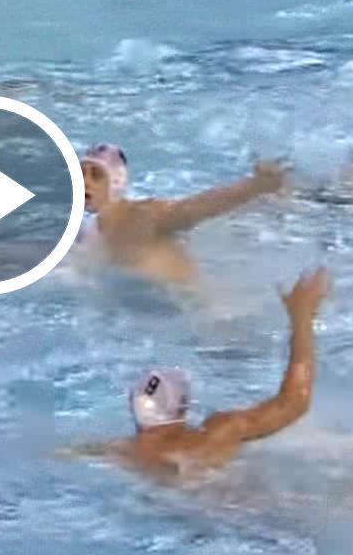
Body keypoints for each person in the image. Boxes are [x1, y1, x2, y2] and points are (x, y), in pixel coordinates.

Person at [58, 268, 329, 482]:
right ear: (183, 406)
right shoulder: (215, 434)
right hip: (240, 511)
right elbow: (294, 402)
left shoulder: (118, 452)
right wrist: (302, 319)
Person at [76, 143, 289, 287]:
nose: (84, 182)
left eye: (96, 175)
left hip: (207, 324)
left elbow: (194, 208)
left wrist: (256, 186)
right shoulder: (91, 233)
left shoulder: (144, 215)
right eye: (80, 173)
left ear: (116, 182)